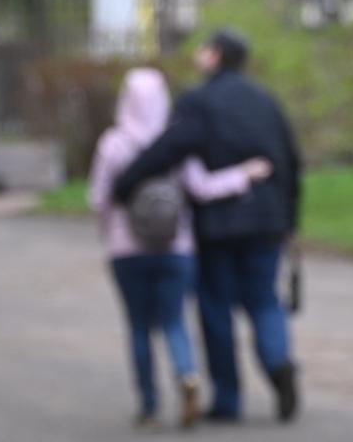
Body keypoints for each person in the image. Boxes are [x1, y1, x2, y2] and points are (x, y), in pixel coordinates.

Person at [113, 31, 303, 424]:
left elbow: (168, 148)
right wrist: (289, 220)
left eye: (203, 49)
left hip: (217, 224)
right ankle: (278, 361)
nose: (198, 55)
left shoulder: (198, 102)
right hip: (267, 218)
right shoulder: (265, 100)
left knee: (216, 310)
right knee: (265, 300)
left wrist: (125, 183)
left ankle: (228, 401)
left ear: (215, 56)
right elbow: (290, 161)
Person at [88, 67, 272, 429]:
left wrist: (109, 235)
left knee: (139, 326)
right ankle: (187, 375)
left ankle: (149, 406)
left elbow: (99, 198)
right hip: (177, 247)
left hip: (127, 250)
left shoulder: (113, 143)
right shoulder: (176, 141)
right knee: (174, 321)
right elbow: (202, 188)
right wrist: (243, 174)